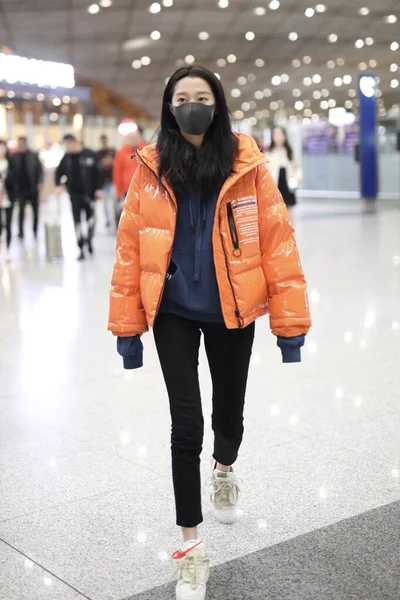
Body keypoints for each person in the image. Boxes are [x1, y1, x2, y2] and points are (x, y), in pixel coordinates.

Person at [108, 65, 311, 600]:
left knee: (228, 411)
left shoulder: (248, 167)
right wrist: (128, 329)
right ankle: (190, 551)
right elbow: (130, 251)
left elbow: (278, 243)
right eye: (182, 97)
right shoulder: (150, 169)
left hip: (232, 308)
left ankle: (224, 467)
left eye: (202, 97)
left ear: (217, 104)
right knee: (185, 422)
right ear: (168, 106)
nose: (192, 105)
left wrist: (290, 327)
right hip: (172, 310)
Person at [55, 135, 103, 261]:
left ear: (76, 143)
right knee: (77, 222)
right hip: (74, 195)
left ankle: (89, 241)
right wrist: (58, 185)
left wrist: (99, 188)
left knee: (91, 221)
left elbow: (99, 172)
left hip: (89, 195)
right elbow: (58, 172)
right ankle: (80, 247)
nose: (67, 148)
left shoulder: (89, 155)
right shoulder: (67, 158)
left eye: (69, 145)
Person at [112, 123, 145, 224]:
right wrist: (118, 192)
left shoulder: (145, 149)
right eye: (131, 138)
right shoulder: (122, 152)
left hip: (143, 189)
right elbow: (117, 172)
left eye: (136, 137)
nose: (134, 140)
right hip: (128, 190)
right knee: (130, 216)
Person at [11, 136, 43, 240]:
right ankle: (20, 232)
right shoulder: (14, 157)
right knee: (21, 211)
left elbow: (39, 170)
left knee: (35, 211)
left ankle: (35, 230)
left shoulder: (33, 155)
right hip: (20, 189)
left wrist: (40, 182)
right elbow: (11, 173)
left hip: (32, 187)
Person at [266, 126, 302, 209]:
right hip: (274, 185)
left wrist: (297, 178)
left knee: (289, 210)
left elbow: (297, 167)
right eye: (275, 134)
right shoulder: (269, 152)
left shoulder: (290, 151)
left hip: (288, 185)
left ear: (284, 136)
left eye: (279, 134)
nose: (277, 136)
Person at [0, 140, 16, 261]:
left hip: (8, 197)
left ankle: (8, 250)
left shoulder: (11, 163)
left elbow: (16, 179)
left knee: (9, 224)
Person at [96, 134, 115, 228]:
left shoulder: (112, 151)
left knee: (113, 202)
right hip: (103, 182)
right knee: (105, 203)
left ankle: (114, 219)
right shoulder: (98, 154)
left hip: (112, 181)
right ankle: (107, 220)